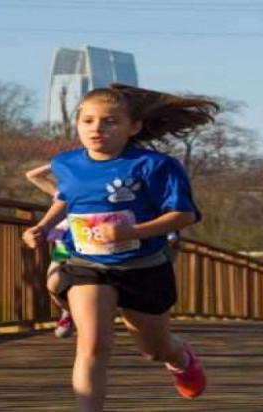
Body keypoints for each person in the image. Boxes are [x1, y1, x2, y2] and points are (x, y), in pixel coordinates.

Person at [21, 83, 218, 411]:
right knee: (93, 344)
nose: (97, 129)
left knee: (153, 350)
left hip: (142, 266)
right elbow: (66, 198)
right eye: (88, 121)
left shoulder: (155, 165)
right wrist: (42, 227)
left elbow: (184, 215)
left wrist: (133, 230)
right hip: (88, 264)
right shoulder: (66, 163)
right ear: (78, 124)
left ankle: (180, 358)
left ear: (134, 126)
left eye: (110, 121)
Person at [25, 164, 74, 338]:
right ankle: (68, 312)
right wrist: (60, 162)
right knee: (53, 283)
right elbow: (32, 175)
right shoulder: (63, 191)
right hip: (64, 245)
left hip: (96, 245)